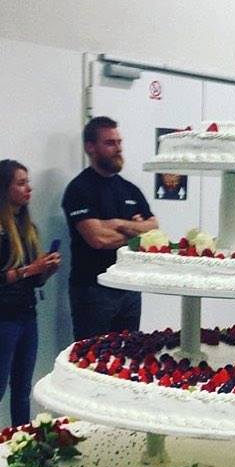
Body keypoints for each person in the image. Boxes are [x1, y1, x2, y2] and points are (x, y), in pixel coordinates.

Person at [0, 160, 61, 436]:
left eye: (27, 182)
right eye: (21, 183)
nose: (28, 188)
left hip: (27, 316)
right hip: (1, 320)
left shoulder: (28, 227)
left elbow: (33, 281)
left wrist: (45, 270)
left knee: (22, 389)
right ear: (4, 188)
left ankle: (21, 443)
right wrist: (30, 269)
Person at [62, 116, 158, 340]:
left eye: (119, 142)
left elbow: (154, 230)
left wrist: (118, 224)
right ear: (90, 147)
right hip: (93, 290)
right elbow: (98, 239)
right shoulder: (79, 189)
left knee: (130, 354)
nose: (118, 148)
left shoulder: (129, 189)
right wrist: (136, 230)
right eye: (110, 143)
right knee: (93, 356)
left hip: (130, 287)